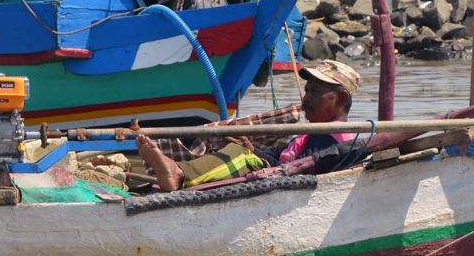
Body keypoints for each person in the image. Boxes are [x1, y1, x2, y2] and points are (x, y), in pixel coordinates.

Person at [137, 60, 363, 192]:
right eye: (307, 91)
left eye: (316, 92)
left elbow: (305, 167)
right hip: (275, 172)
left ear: (341, 99)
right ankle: (177, 172)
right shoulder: (308, 135)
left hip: (279, 183)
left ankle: (178, 174)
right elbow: (280, 156)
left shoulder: (339, 141)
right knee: (238, 150)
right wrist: (254, 150)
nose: (306, 98)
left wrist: (250, 156)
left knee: (239, 156)